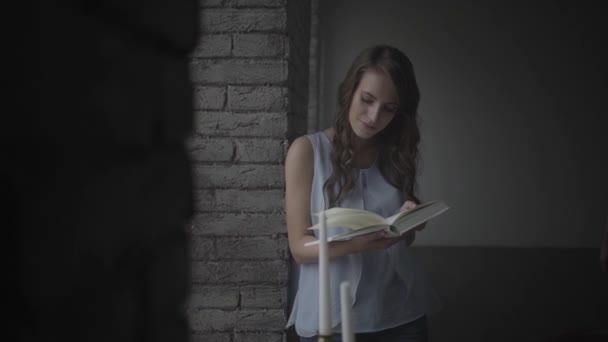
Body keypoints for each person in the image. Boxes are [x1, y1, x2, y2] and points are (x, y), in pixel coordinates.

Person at [285, 45, 441, 342]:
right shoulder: (308, 151)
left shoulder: (395, 153)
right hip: (330, 317)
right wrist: (361, 244)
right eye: (367, 100)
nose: (373, 116)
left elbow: (402, 240)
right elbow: (300, 248)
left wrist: (411, 221)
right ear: (349, 91)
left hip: (400, 313)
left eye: (389, 108)